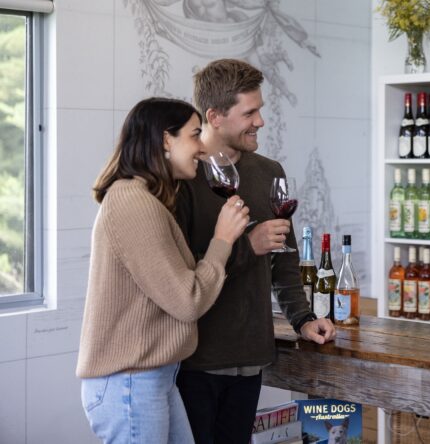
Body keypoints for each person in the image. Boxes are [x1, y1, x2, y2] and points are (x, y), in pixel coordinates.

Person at [175, 58, 336, 444]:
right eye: (250, 112)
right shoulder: (183, 180)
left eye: (259, 110)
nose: (260, 121)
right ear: (214, 116)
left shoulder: (269, 171)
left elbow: (285, 261)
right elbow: (182, 277)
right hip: (196, 360)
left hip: (252, 356)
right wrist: (248, 245)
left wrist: (303, 318)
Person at [76, 98, 250, 443]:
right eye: (195, 135)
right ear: (165, 140)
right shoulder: (133, 203)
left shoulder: (144, 199)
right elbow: (187, 301)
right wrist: (223, 240)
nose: (202, 148)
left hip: (150, 379)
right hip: (131, 384)